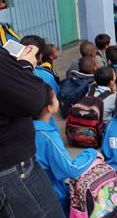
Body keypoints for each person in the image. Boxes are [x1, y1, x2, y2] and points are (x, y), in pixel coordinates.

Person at [0, 43, 65, 217]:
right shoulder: (49, 136)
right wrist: (25, 67)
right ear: (50, 106)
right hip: (12, 169)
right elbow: (33, 98)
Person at [34, 84, 101, 216]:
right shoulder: (47, 136)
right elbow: (70, 168)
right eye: (55, 98)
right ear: (49, 107)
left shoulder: (26, 128)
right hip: (52, 196)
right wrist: (91, 153)